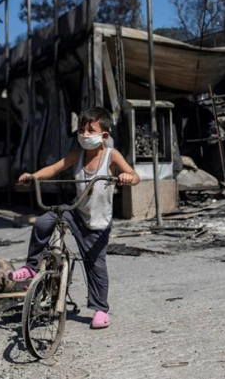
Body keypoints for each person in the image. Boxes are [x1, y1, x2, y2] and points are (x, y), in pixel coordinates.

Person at [9, 107, 140, 329]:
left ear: (104, 136)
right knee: (43, 222)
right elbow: (53, 168)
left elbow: (135, 176)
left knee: (95, 264)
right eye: (81, 130)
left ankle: (100, 310)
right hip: (76, 209)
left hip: (98, 219)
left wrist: (127, 177)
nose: (85, 135)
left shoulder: (111, 154)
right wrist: (33, 176)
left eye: (91, 130)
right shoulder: (76, 154)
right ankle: (32, 267)